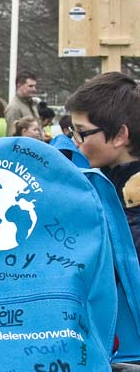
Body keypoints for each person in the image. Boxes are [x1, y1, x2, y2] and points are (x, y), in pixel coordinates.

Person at [66, 71, 140, 259]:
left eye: (81, 131)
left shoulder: (132, 212)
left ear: (119, 136)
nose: (75, 141)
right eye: (73, 131)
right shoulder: (106, 181)